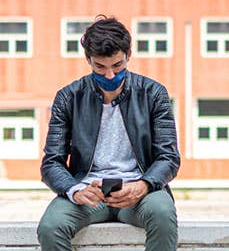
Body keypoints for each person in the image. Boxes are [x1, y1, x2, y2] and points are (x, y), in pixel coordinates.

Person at [37, 16, 180, 251]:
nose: (110, 76)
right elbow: (52, 162)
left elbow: (169, 157)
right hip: (88, 191)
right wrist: (75, 191)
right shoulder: (69, 97)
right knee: (51, 227)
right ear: (89, 61)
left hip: (140, 190)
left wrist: (143, 185)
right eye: (100, 67)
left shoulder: (153, 93)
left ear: (128, 56)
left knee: (163, 215)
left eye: (117, 66)